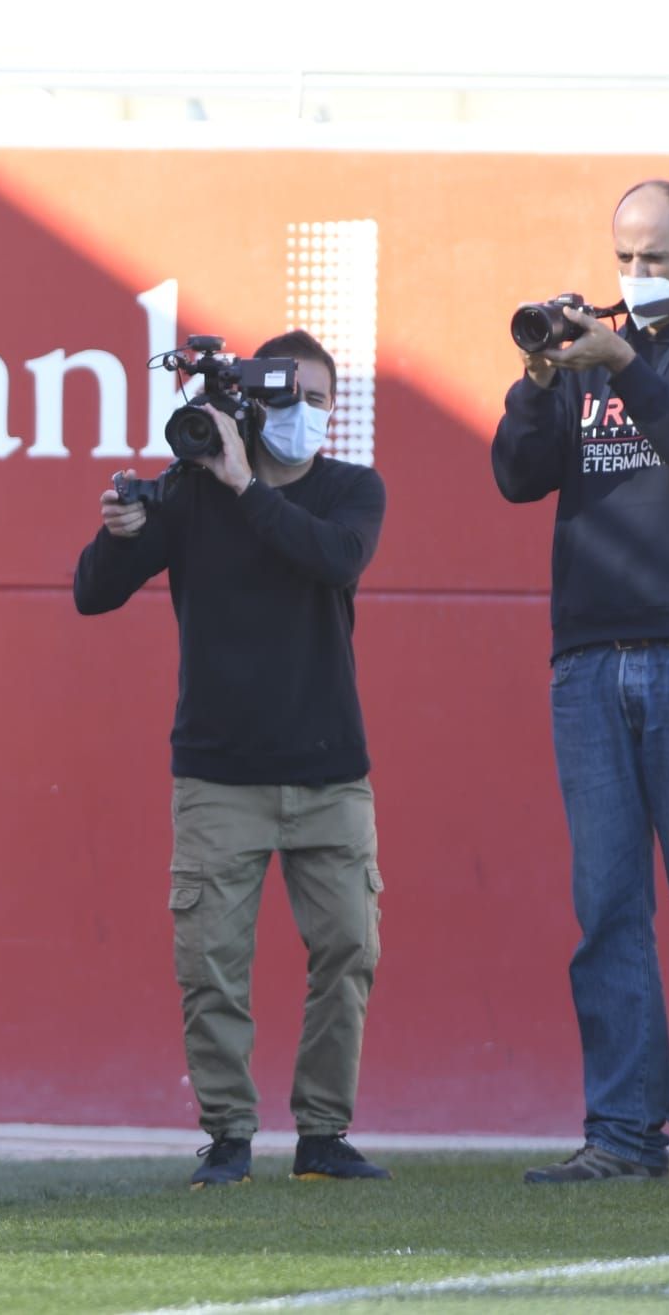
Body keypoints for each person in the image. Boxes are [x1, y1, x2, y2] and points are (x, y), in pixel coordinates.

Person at [73, 331, 391, 1189]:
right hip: (218, 772)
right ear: (257, 399)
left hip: (330, 768)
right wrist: (119, 530)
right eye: (296, 396)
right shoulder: (192, 492)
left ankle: (323, 1133)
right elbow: (92, 592)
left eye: (325, 398)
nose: (312, 413)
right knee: (211, 961)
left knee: (349, 950)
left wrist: (247, 482)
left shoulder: (350, 489)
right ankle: (229, 1135)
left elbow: (335, 558)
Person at [492, 180, 669, 1186]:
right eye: (623, 257)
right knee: (605, 907)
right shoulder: (580, 357)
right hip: (588, 659)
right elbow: (516, 476)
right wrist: (535, 373)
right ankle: (618, 1133)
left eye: (652, 258)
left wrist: (625, 369)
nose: (634, 276)